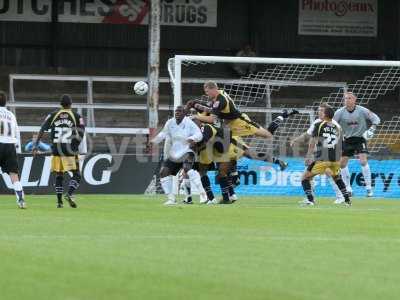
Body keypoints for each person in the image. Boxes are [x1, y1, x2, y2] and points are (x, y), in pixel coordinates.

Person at [189, 81, 298, 140]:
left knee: (268, 135)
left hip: (240, 121)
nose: (206, 94)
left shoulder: (221, 100)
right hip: (229, 122)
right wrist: (197, 106)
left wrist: (194, 116)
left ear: (214, 89)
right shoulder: (219, 93)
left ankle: (284, 115)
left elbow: (212, 118)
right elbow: (213, 109)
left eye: (207, 91)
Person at [33, 94, 85, 208]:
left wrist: (36, 145)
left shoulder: (52, 115)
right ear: (71, 104)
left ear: (60, 104)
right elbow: (81, 132)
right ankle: (69, 194)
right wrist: (75, 145)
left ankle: (59, 202)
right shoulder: (76, 115)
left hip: (56, 149)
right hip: (69, 149)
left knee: (59, 175)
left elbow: (42, 129)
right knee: (76, 175)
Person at [290, 103, 345, 204]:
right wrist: (296, 140)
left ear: (326, 113)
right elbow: (307, 134)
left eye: (321, 110)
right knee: (310, 175)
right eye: (318, 110)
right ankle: (311, 198)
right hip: (320, 154)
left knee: (329, 174)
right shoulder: (317, 122)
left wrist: (309, 156)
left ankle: (340, 196)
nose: (318, 112)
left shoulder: (334, 125)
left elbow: (339, 142)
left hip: (329, 155)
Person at [151, 106, 206, 205]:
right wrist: (153, 142)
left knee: (187, 168)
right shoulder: (170, 122)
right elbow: (163, 134)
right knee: (163, 172)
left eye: (180, 111)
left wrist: (193, 138)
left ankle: (203, 194)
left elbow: (199, 135)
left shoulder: (189, 123)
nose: (177, 113)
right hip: (175, 153)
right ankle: (171, 199)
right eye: (176, 111)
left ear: (184, 113)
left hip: (187, 151)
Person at [301, 105, 351, 206]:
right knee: (337, 177)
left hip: (322, 158)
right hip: (335, 159)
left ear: (325, 114)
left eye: (322, 112)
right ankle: (347, 200)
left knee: (304, 178)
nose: (320, 113)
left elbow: (312, 142)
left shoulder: (319, 124)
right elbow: (342, 145)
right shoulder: (337, 127)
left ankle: (310, 200)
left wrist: (308, 157)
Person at [333, 92, 380, 197]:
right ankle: (348, 188)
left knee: (363, 161)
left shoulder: (362, 110)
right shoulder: (339, 112)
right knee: (342, 164)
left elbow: (376, 119)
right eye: (345, 98)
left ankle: (368, 188)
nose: (347, 100)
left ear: (355, 100)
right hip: (347, 140)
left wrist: (372, 129)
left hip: (360, 139)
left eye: (349, 98)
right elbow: (332, 124)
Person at [0, 92, 26, 209]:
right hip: (10, 145)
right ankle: (21, 200)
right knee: (14, 175)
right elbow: (17, 132)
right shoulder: (11, 114)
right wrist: (18, 149)